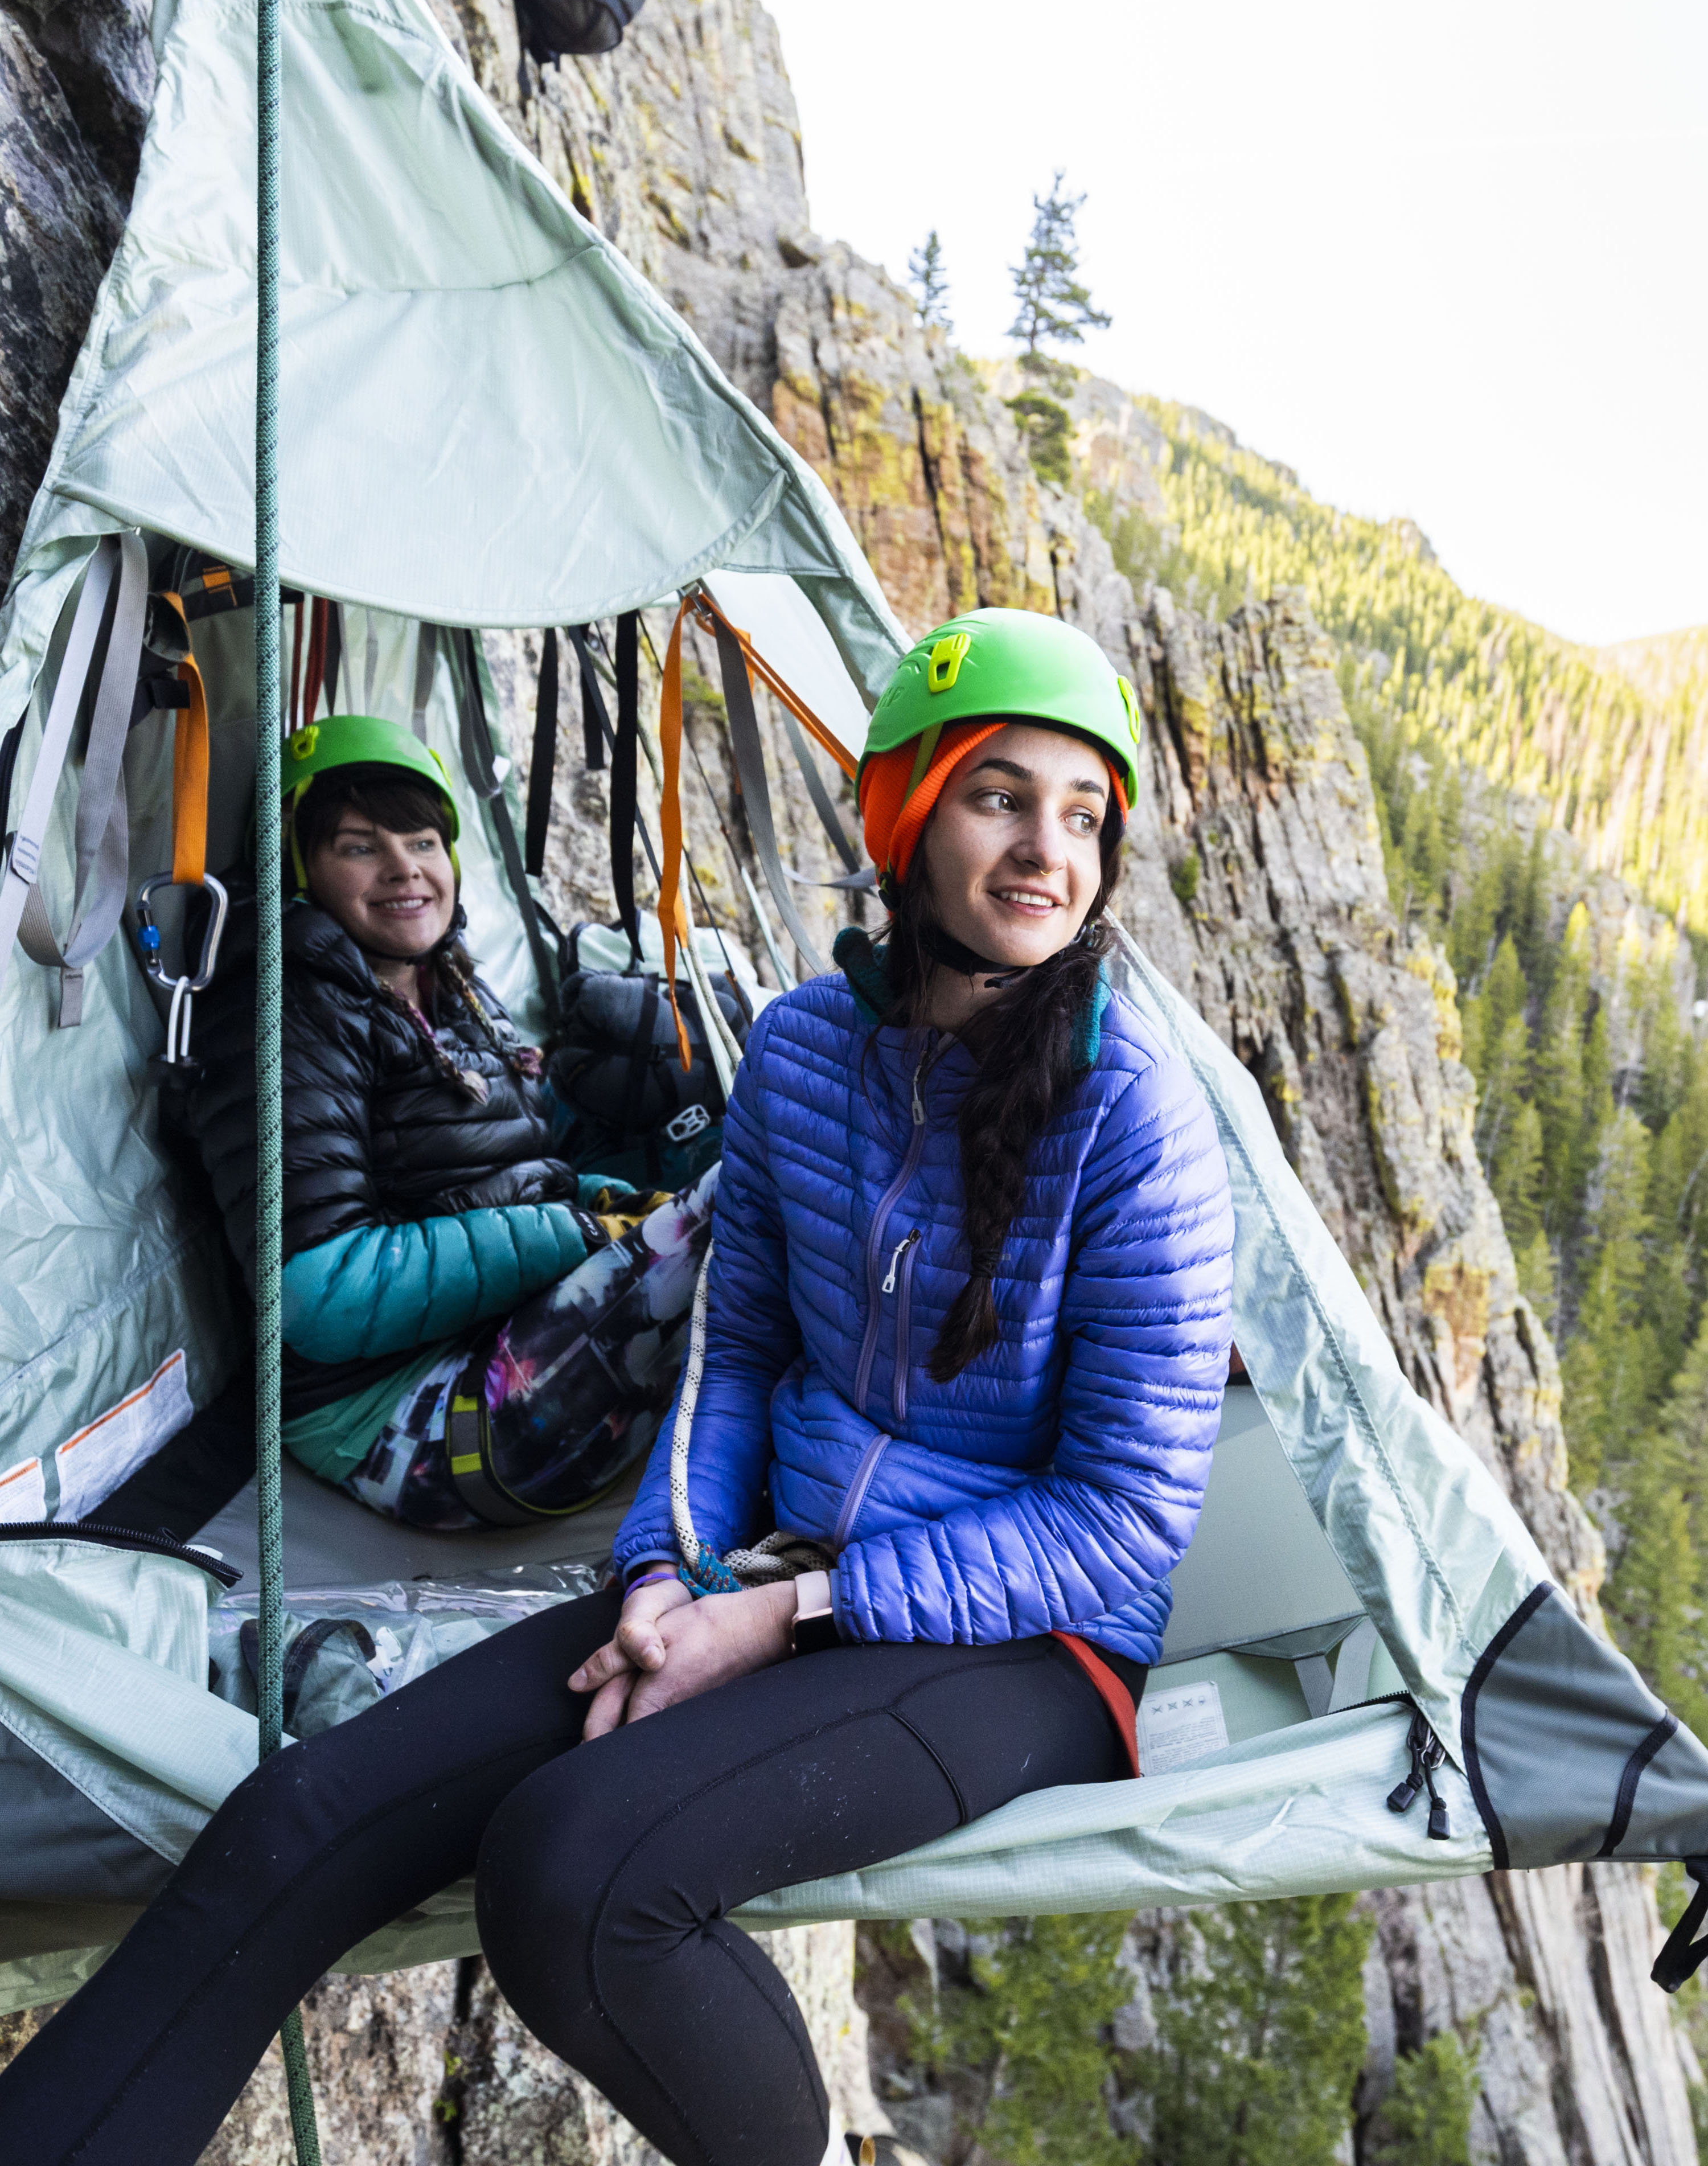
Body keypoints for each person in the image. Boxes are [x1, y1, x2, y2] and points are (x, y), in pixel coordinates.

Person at [0, 609, 1235, 2166]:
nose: (1045, 851)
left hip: (1031, 1639)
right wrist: (667, 1569)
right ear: (908, 816)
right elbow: (734, 1363)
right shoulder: (801, 1056)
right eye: (1000, 796)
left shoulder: (1138, 1118)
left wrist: (778, 1616)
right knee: (294, 1824)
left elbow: (1122, 1528)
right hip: (760, 1569)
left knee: (576, 1878)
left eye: (1083, 816)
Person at [178, 712, 713, 1526]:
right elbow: (317, 1295)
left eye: (424, 842)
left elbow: (497, 1172)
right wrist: (566, 1234)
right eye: (360, 846)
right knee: (744, 1202)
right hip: (406, 1423)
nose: (405, 870)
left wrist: (599, 1197)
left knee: (754, 1182)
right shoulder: (285, 1006)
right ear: (297, 868)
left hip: (495, 1340)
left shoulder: (442, 979)